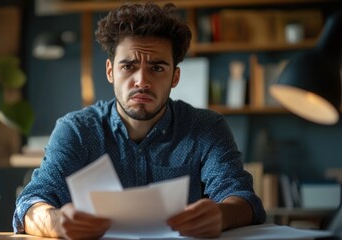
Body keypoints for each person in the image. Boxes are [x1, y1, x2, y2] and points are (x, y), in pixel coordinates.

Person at [13, 2, 266, 239]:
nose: (142, 81)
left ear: (175, 77)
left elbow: (243, 199)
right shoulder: (77, 131)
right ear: (110, 71)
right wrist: (56, 221)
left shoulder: (206, 128)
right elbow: (30, 204)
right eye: (129, 67)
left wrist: (220, 216)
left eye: (157, 68)